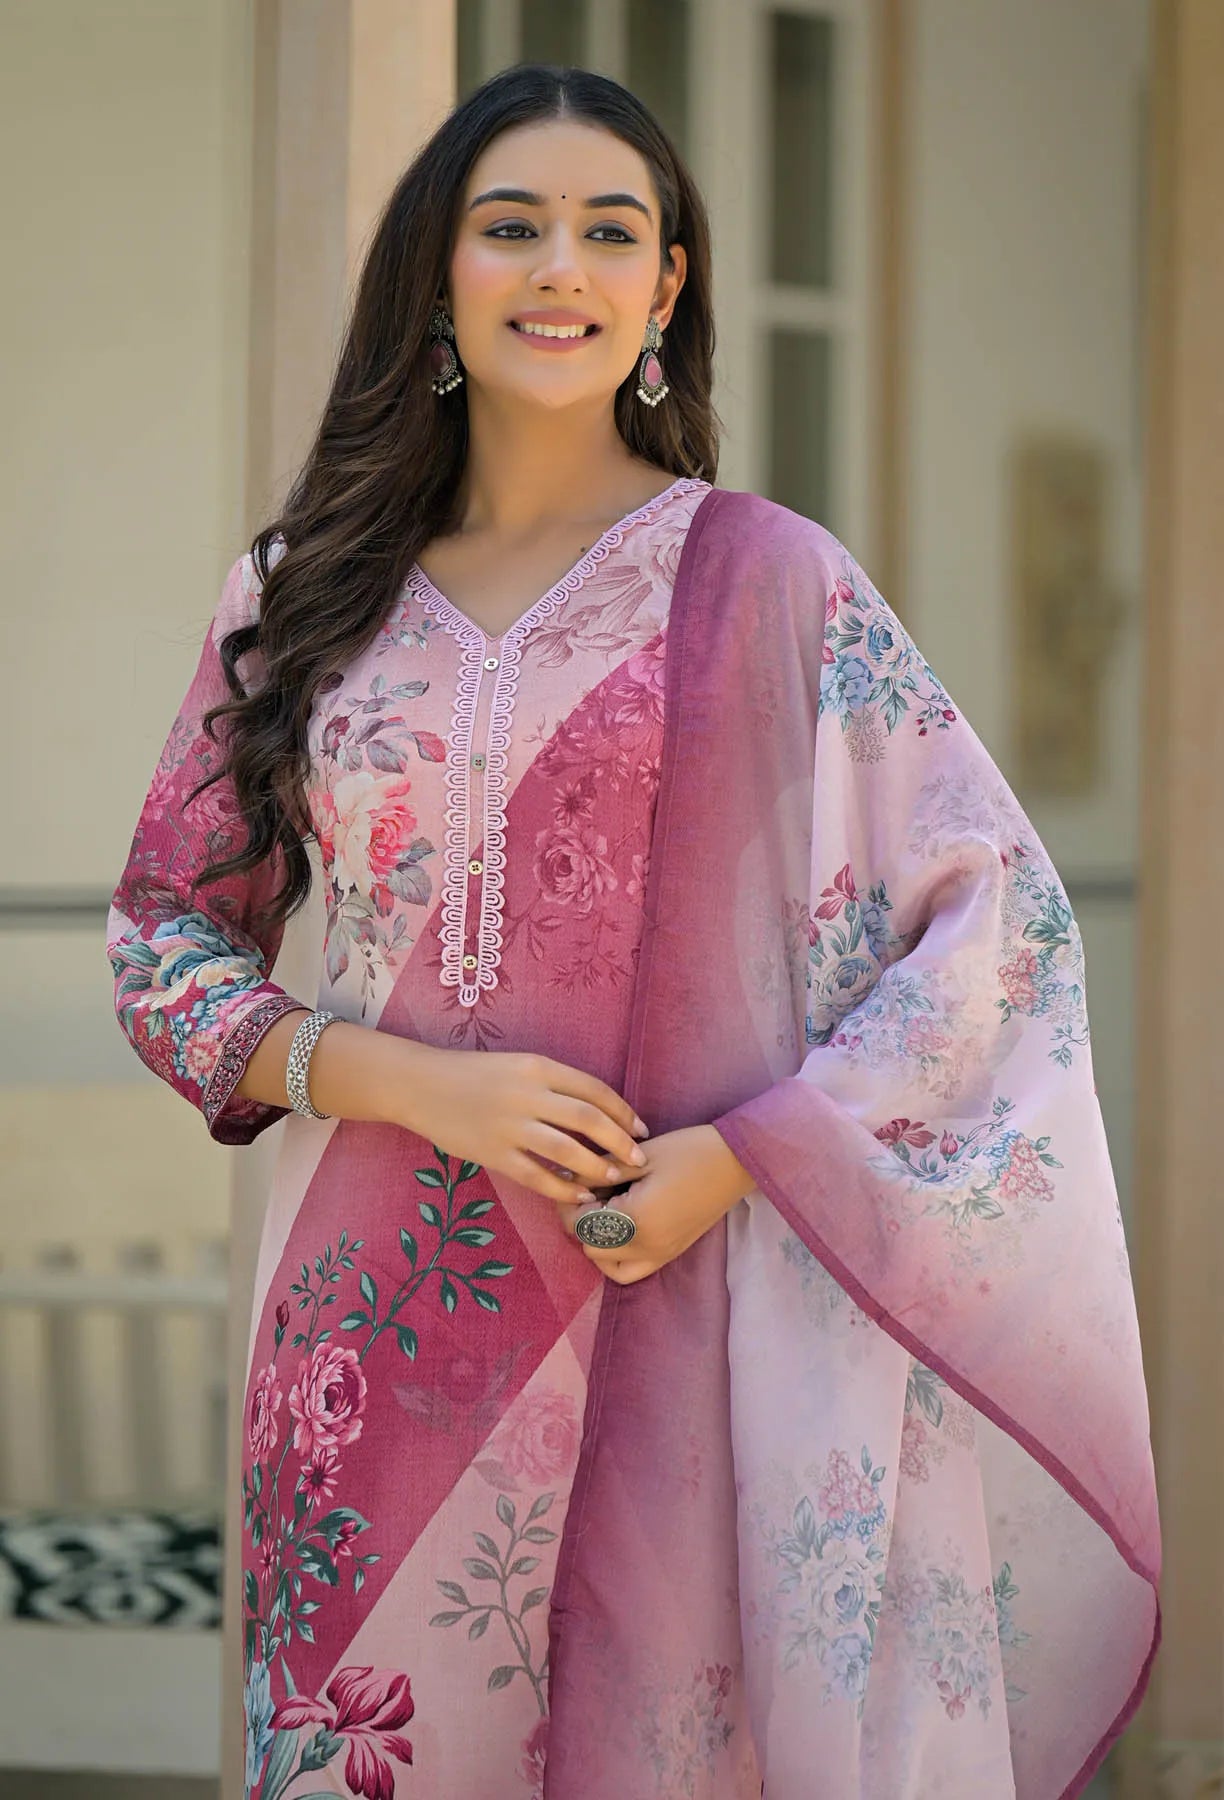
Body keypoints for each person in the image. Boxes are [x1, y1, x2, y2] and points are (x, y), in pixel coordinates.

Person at [106, 63, 1159, 1800]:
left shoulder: (768, 582)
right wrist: (386, 1077)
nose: (560, 270)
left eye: (613, 233)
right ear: (438, 275)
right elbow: (163, 941)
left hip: (673, 1300)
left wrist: (737, 1162)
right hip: (372, 1337)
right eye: (510, 227)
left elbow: (998, 929)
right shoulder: (304, 589)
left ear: (666, 288)